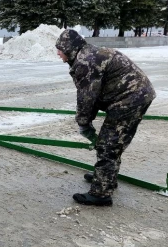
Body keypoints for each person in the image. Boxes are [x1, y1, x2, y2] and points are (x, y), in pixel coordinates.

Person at [56, 29, 156, 206]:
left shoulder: (85, 62)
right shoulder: (87, 55)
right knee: (113, 142)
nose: (58, 53)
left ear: (69, 48)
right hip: (135, 95)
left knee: (108, 144)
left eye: (60, 49)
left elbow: (87, 97)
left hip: (130, 99)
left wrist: (84, 123)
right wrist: (87, 121)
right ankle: (106, 178)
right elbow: (93, 95)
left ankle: (101, 193)